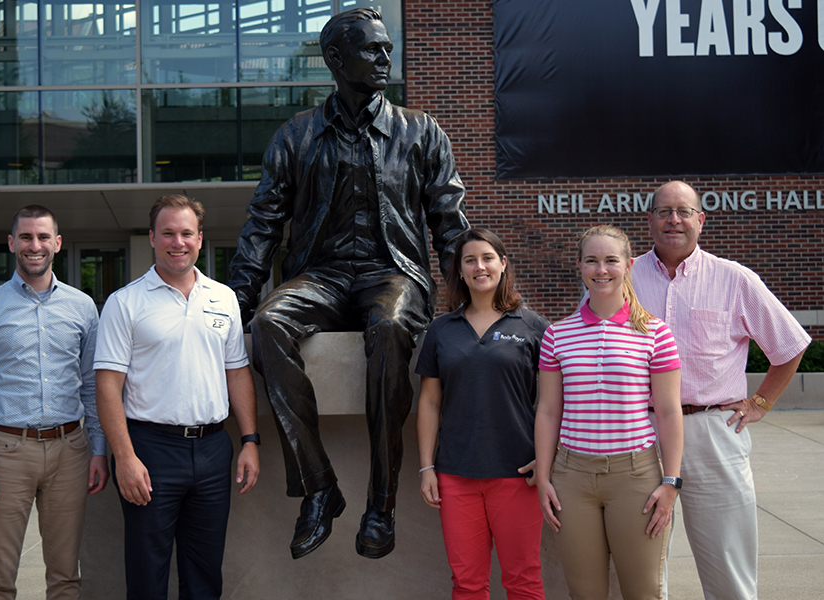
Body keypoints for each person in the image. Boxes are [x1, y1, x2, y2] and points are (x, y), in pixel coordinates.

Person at [227, 7, 468, 560]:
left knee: (387, 328)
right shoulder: (296, 136)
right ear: (335, 60)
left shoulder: (421, 131)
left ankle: (380, 505)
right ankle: (319, 487)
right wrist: (232, 308)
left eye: (387, 48)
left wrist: (478, 302)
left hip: (394, 275)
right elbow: (262, 226)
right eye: (372, 50)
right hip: (322, 277)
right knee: (268, 322)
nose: (386, 58)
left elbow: (449, 224)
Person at [633, 180, 811, 600]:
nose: (673, 220)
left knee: (727, 567)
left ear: (701, 220)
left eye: (683, 211)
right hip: (640, 433)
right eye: (664, 211)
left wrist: (760, 402)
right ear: (649, 220)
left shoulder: (734, 279)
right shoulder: (622, 276)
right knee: (641, 569)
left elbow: (789, 345)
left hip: (711, 433)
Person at [94, 195, 260, 599]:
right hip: (149, 451)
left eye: (186, 233)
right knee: (147, 574)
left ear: (200, 239)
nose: (177, 242)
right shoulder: (125, 303)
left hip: (213, 449)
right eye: (168, 233)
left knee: (205, 574)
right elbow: (106, 386)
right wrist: (125, 458)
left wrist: (250, 441)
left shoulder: (223, 299)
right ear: (152, 237)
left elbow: (236, 373)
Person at [0, 205, 108, 599]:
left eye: (42, 237)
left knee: (66, 577)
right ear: (11, 244)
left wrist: (99, 451)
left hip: (71, 451)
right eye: (25, 237)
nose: (34, 245)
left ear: (57, 243)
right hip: (7, 454)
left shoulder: (83, 307)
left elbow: (92, 387)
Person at [534, 224, 684, 600]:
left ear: (629, 265)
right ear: (581, 266)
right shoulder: (557, 335)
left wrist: (671, 482)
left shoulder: (655, 333)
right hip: (572, 478)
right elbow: (549, 411)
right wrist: (543, 476)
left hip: (636, 478)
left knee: (643, 591)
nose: (602, 270)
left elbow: (668, 413)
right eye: (592, 261)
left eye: (611, 261)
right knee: (584, 592)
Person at [416, 228, 547, 600]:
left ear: (503, 264)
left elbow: (558, 400)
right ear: (459, 270)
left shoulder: (533, 327)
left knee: (523, 580)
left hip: (518, 474)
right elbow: (429, 402)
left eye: (488, 258)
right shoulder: (441, 330)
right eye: (469, 260)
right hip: (456, 475)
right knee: (467, 583)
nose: (479, 267)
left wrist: (546, 458)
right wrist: (427, 467)